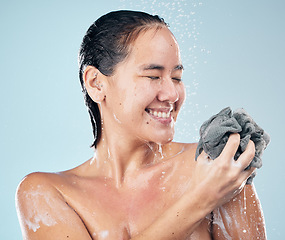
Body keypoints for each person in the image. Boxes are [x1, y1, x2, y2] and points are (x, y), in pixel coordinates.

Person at [16, 10, 266, 240]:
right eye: (153, 76)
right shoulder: (47, 193)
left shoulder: (218, 167)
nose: (172, 93)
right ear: (96, 83)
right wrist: (201, 199)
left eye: (177, 77)